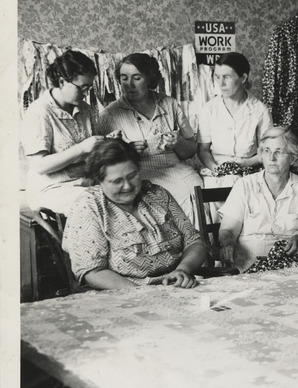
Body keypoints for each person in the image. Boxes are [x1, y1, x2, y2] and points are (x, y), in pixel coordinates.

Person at [62, 138, 206, 290]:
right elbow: (93, 272)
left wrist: (182, 270)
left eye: (132, 176)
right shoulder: (90, 205)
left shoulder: (157, 194)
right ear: (99, 181)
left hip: (175, 287)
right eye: (117, 181)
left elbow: (194, 242)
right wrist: (142, 294)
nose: (127, 186)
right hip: (125, 296)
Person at [96, 53, 203, 220]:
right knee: (166, 196)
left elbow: (190, 150)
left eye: (136, 78)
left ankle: (202, 242)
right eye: (124, 78)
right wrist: (127, 152)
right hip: (139, 172)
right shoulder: (110, 114)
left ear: (149, 78)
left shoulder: (169, 104)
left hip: (176, 167)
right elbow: (102, 162)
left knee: (197, 189)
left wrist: (179, 142)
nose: (129, 85)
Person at [217, 126, 298, 273]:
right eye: (266, 151)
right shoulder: (245, 185)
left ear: (293, 158)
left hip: (290, 267)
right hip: (248, 266)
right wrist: (229, 244)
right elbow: (228, 229)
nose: (271, 158)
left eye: (278, 152)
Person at [21, 50, 110, 214]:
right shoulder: (40, 112)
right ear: (62, 82)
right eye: (82, 88)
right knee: (98, 203)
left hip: (83, 182)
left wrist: (106, 142)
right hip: (52, 188)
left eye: (89, 88)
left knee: (125, 193)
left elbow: (92, 152)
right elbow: (40, 166)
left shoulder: (86, 109)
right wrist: (81, 148)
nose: (86, 94)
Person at [197, 52, 272, 185]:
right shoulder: (208, 109)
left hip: (249, 171)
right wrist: (217, 170)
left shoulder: (260, 111)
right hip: (215, 172)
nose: (221, 83)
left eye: (227, 77)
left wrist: (242, 164)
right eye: (217, 77)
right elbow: (203, 150)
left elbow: (266, 151)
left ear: (243, 78)